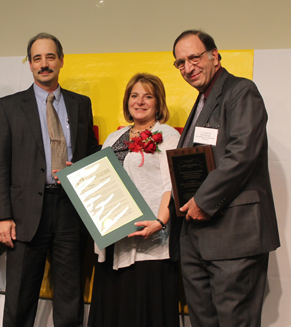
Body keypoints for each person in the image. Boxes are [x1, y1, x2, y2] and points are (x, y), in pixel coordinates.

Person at [170, 30, 280, 326]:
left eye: (194, 57)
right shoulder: (202, 101)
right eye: (180, 63)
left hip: (235, 235)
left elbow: (242, 153)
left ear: (214, 56)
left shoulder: (241, 91)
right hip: (195, 236)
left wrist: (203, 201)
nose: (188, 67)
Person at [0, 32, 100, 327]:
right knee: (19, 298)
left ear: (61, 61)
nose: (44, 64)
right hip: (25, 214)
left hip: (70, 209)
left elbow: (89, 151)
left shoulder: (81, 104)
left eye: (50, 57)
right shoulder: (7, 106)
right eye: (37, 58)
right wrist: (2, 216)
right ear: (30, 64)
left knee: (70, 297)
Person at [88, 73, 180, 327]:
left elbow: (170, 187)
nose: (139, 101)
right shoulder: (114, 138)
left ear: (158, 102)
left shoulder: (167, 136)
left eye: (148, 96)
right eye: (134, 95)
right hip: (114, 241)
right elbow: (101, 180)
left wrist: (160, 222)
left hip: (150, 244)